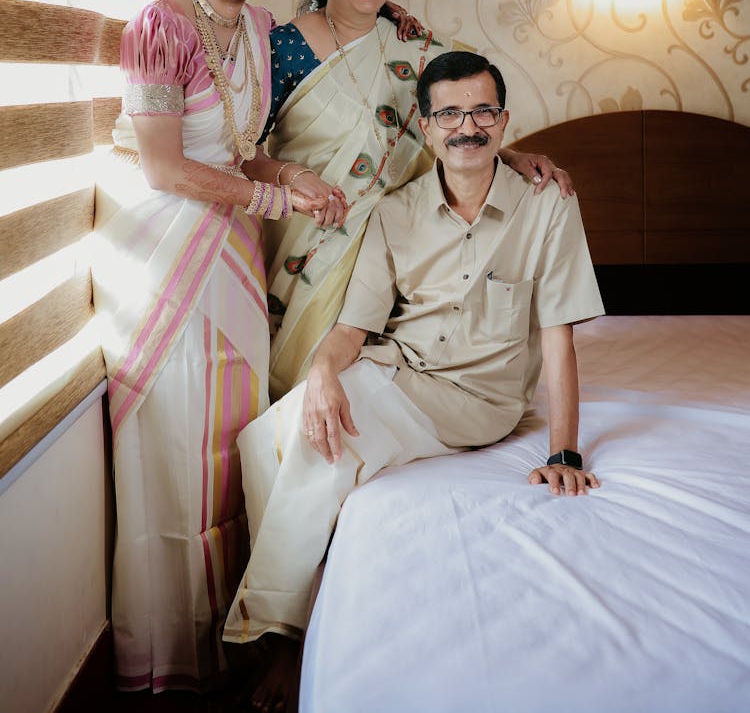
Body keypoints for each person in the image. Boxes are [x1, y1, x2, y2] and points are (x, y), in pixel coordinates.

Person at [223, 50, 604, 712]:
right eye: (449, 112)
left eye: (483, 110)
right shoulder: (395, 212)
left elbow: (559, 335)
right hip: (399, 370)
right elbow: (351, 331)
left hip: (478, 400)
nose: (468, 126)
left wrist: (565, 449)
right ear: (426, 126)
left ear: (504, 120)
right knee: (264, 436)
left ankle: (275, 639)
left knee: (322, 440)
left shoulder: (547, 204)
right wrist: (320, 371)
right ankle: (300, 609)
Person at [92, 0, 347, 694]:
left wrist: (292, 174)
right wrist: (271, 197)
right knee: (176, 437)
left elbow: (244, 150)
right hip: (164, 253)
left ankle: (231, 633)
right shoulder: (158, 26)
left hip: (233, 246)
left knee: (232, 440)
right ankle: (174, 652)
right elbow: (164, 166)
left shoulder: (263, 30)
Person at [259, 0, 574, 400]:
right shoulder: (282, 47)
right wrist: (296, 177)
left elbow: (451, 122)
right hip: (304, 234)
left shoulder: (411, 46)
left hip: (383, 241)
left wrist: (507, 155)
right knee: (294, 378)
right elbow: (242, 152)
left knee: (358, 372)